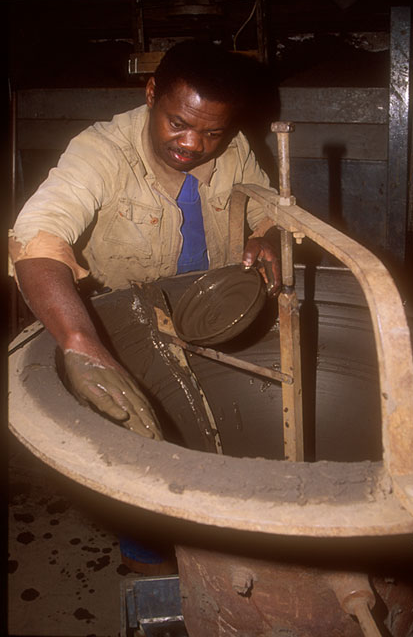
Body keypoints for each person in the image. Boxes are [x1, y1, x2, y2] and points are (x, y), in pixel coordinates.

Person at [9, 41, 281, 441]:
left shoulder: (235, 148)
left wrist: (271, 235)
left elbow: (269, 211)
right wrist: (79, 342)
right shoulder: (101, 151)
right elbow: (36, 236)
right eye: (178, 124)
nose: (193, 144)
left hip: (211, 318)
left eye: (212, 132)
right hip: (122, 329)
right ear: (152, 93)